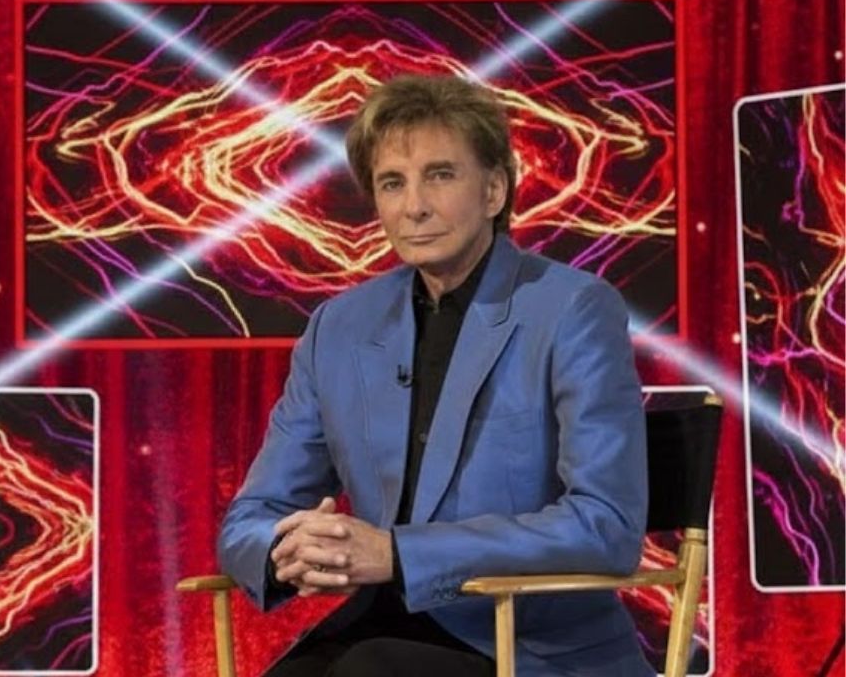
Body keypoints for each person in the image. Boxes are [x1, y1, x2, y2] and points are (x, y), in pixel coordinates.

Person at [218, 73, 652, 676]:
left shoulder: (572, 309)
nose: (414, 205)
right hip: (380, 626)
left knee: (369, 670)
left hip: (527, 646)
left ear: (494, 190)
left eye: (440, 175)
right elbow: (252, 517)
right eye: (392, 183)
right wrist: (287, 550)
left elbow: (606, 525)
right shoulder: (339, 328)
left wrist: (397, 555)